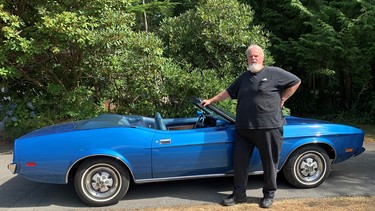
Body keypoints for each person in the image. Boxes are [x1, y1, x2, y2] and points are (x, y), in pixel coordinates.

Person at [201, 44, 301, 208]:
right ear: (247, 59)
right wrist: (211, 100)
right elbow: (228, 92)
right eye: (250, 56)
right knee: (239, 163)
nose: (253, 58)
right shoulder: (243, 77)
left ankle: (269, 195)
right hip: (244, 128)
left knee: (269, 163)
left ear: (262, 58)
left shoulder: (274, 73)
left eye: (256, 55)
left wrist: (283, 99)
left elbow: (296, 81)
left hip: (269, 127)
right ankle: (239, 195)